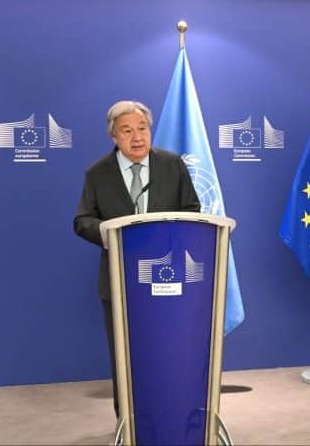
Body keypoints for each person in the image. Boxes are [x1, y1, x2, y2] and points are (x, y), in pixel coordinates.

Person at [73, 100, 200, 419]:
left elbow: (191, 209)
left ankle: (172, 419)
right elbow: (82, 220)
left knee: (169, 353)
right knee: (126, 356)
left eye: (142, 129)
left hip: (168, 279)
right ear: (114, 137)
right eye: (127, 131)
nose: (137, 137)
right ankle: (128, 424)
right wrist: (111, 233)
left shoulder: (172, 165)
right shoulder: (97, 173)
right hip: (119, 281)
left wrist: (170, 233)